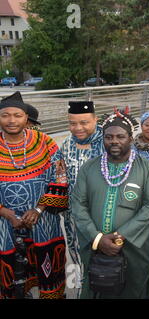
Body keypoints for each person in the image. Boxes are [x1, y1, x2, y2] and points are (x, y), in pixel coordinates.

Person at [71, 108, 149, 299]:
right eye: (108, 137)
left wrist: (120, 237)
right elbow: (78, 205)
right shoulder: (89, 168)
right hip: (95, 245)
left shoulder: (147, 169)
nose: (114, 141)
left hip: (134, 248)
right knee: (97, 288)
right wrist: (97, 239)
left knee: (133, 290)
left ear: (130, 138)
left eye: (120, 136)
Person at [0, 92, 69, 299]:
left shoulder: (45, 143)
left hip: (42, 219)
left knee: (48, 275)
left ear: (26, 118)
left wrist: (39, 208)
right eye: (5, 115)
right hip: (4, 223)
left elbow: (61, 179)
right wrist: (6, 213)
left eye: (17, 115)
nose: (11, 120)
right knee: (9, 277)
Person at [60, 101, 104, 293]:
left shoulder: (109, 140)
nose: (78, 128)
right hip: (72, 217)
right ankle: (82, 291)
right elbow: (60, 176)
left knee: (102, 261)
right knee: (77, 258)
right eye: (72, 123)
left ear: (96, 119)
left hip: (101, 216)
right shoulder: (67, 143)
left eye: (84, 122)